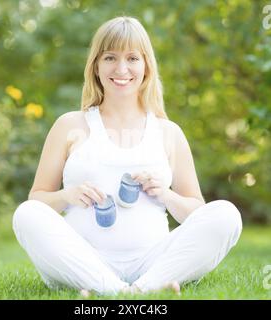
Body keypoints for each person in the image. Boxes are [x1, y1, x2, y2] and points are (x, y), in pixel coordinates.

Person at [12, 16, 243, 298]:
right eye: (110, 57)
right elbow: (37, 200)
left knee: (227, 216)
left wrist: (166, 195)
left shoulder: (168, 132)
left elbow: (198, 214)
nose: (121, 68)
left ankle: (130, 288)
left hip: (152, 262)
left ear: (146, 66)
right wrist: (67, 195)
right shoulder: (69, 125)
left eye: (132, 58)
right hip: (81, 260)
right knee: (26, 215)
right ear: (96, 66)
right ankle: (128, 291)